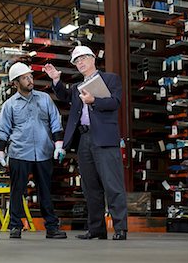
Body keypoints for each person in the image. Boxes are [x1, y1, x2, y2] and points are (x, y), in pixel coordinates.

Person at [43, 45, 128, 240]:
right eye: (76, 61)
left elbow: (115, 102)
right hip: (84, 139)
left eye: (83, 58)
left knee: (112, 184)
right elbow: (64, 96)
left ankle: (120, 228)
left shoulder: (111, 79)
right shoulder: (76, 87)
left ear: (93, 59)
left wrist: (94, 101)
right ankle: (96, 229)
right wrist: (56, 79)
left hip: (104, 138)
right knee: (90, 188)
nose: (79, 63)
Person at [0, 62, 67, 239]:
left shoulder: (44, 99)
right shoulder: (9, 105)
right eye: (25, 78)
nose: (30, 80)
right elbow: (2, 130)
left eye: (30, 76)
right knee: (17, 191)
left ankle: (51, 227)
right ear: (15, 83)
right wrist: (0, 152)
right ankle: (15, 226)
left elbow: (55, 121)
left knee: (45, 191)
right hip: (19, 152)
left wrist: (58, 144)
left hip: (43, 152)